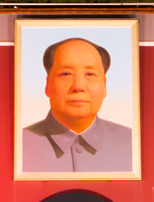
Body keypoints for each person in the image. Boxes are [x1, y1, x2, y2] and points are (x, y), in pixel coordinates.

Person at [21, 37, 134, 173]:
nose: (78, 86)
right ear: (48, 85)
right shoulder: (20, 144)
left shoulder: (132, 143)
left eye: (90, 74)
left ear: (104, 86)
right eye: (66, 74)